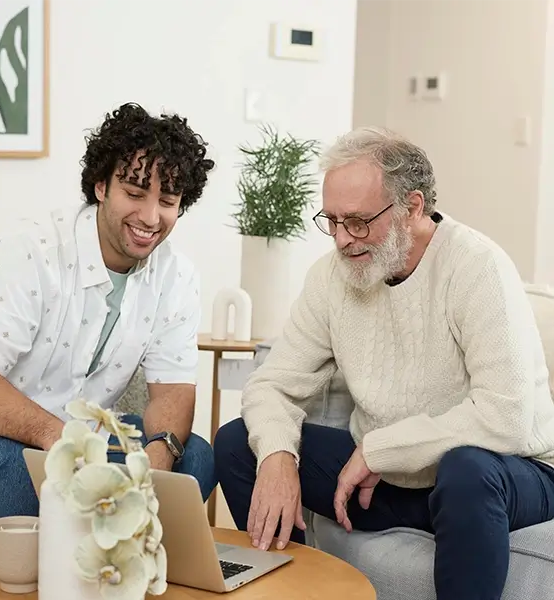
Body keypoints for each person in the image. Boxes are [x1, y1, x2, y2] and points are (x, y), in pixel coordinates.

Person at [214, 126, 554, 600]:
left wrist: (380, 451)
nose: (340, 239)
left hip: (508, 475)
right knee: (237, 443)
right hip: (387, 482)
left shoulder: (477, 267)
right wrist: (276, 454)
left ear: (412, 208)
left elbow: (507, 417)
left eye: (356, 221)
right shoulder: (332, 276)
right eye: (330, 220)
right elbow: (272, 384)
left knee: (466, 471)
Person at [0, 102, 217, 535]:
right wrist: (51, 434)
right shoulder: (32, 250)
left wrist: (161, 451)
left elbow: (172, 390)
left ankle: (129, 573)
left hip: (89, 438)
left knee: (198, 457)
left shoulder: (178, 276)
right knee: (18, 467)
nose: (151, 218)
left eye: (167, 201)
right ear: (100, 186)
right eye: (134, 194)